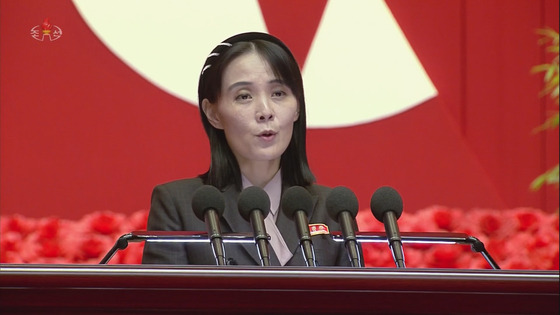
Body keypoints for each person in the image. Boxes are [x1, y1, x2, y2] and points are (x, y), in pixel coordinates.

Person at [142, 32, 358, 266]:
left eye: (278, 93)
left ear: (297, 108)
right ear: (213, 113)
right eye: (244, 96)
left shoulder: (334, 210)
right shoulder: (179, 205)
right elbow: (163, 301)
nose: (265, 111)